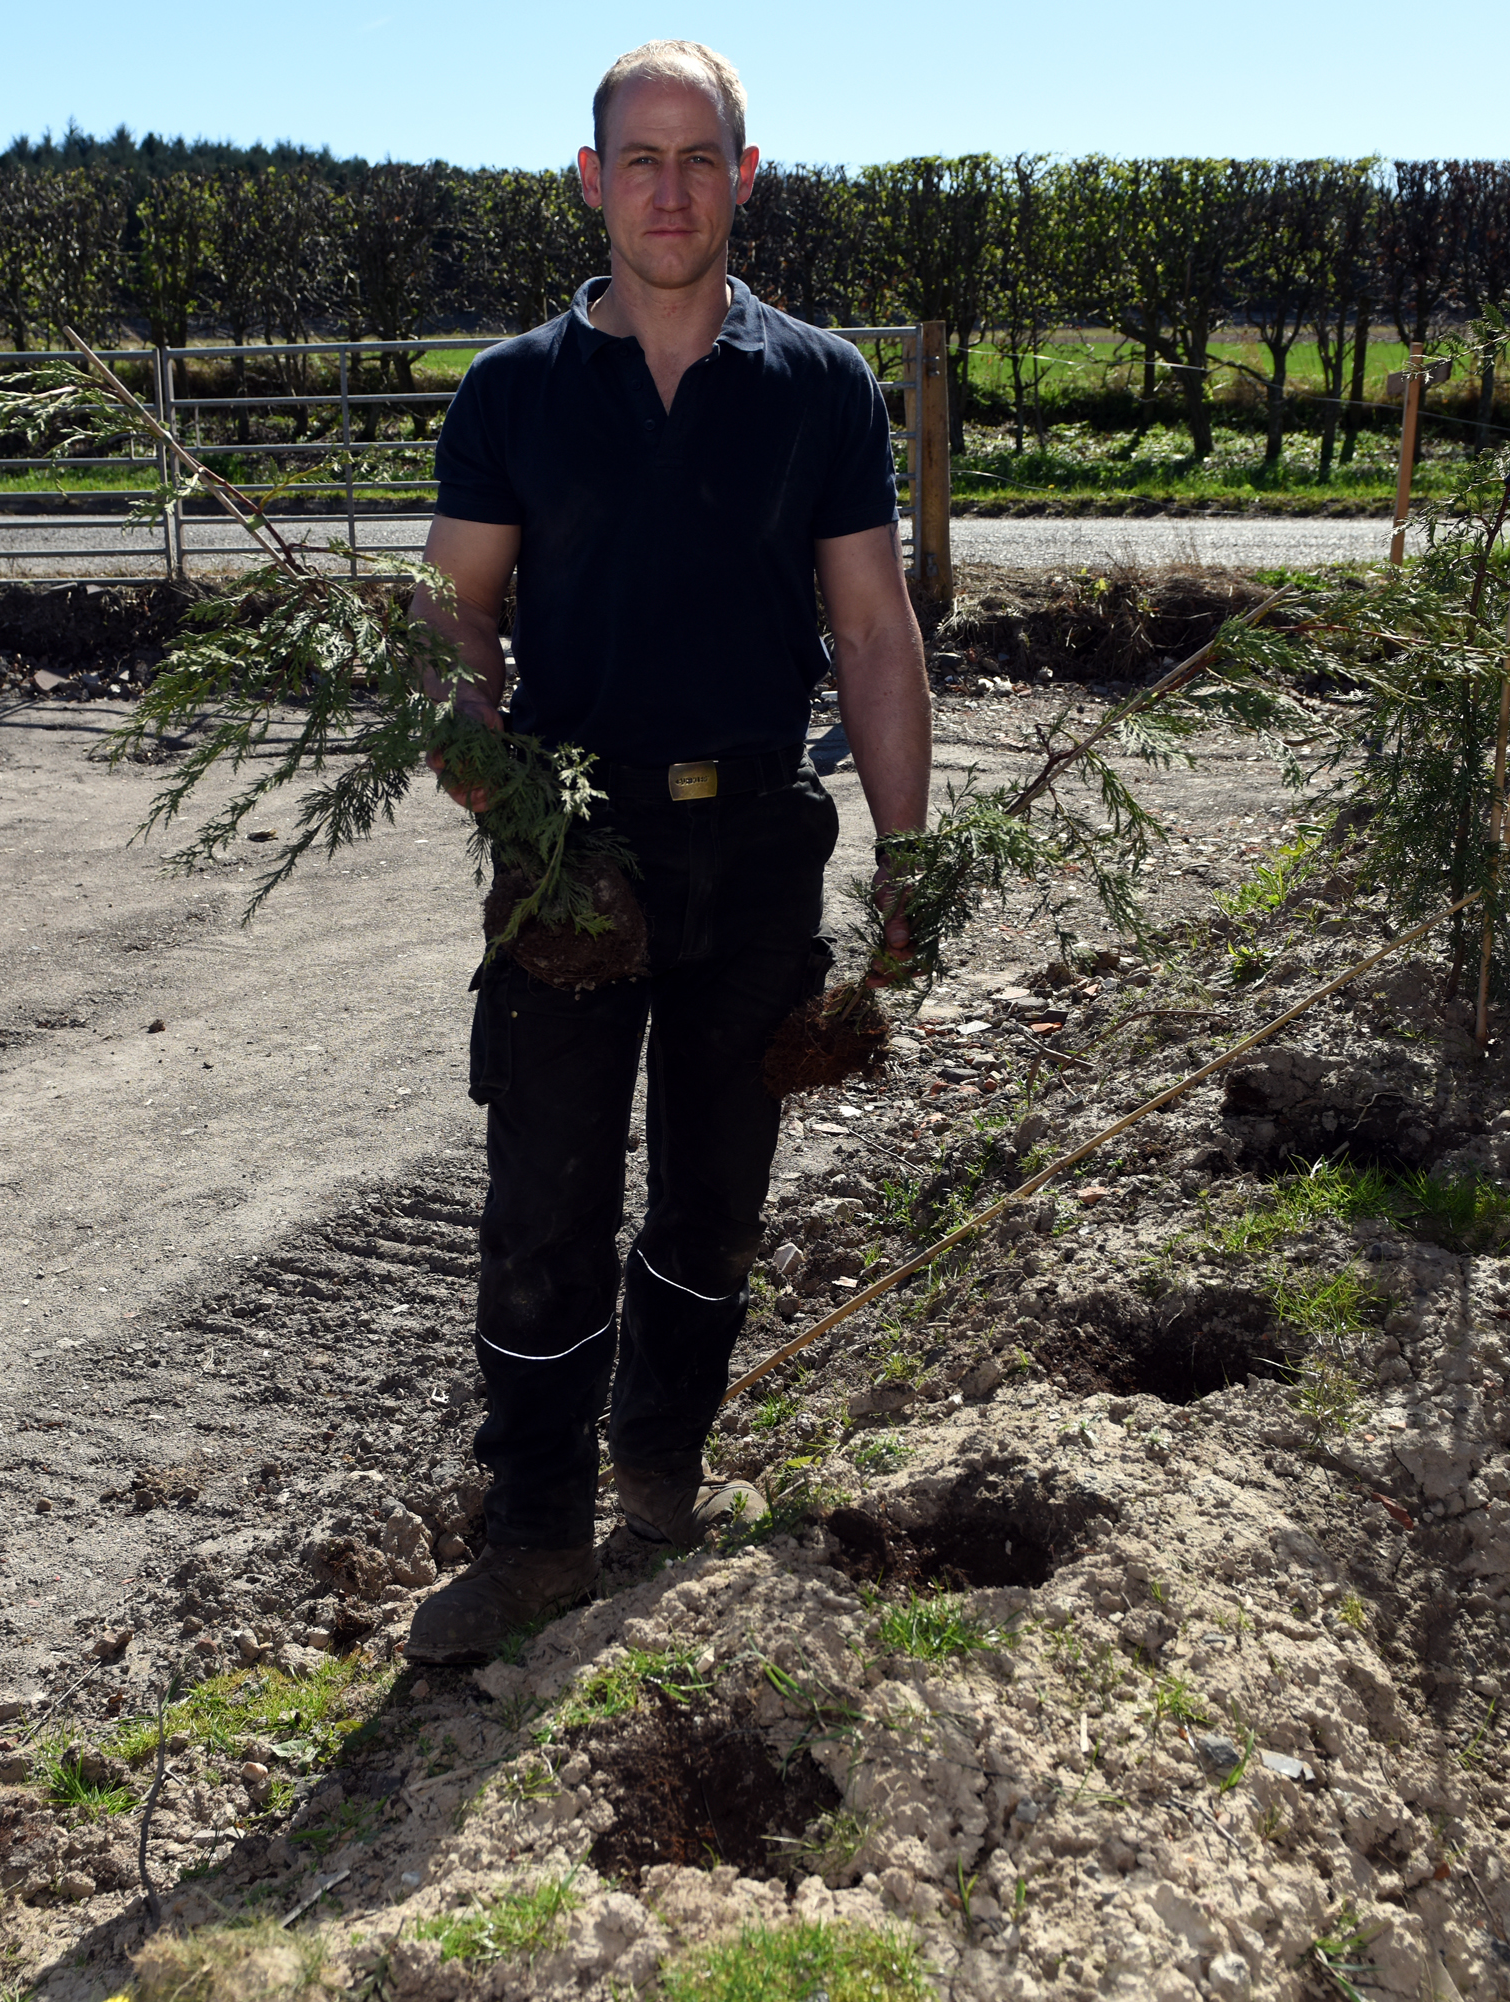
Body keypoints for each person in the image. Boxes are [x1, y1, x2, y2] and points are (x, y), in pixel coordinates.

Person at [404, 39, 931, 1665]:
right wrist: (510, 805)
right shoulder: (514, 395)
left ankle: (663, 1474)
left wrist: (909, 862)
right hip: (577, 849)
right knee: (544, 1195)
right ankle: (538, 1531)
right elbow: (453, 620)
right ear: (591, 182)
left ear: (746, 178)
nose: (670, 189)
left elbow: (874, 631)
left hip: (760, 844)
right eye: (641, 159)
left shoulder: (823, 387)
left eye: (701, 158)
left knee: (717, 1190)